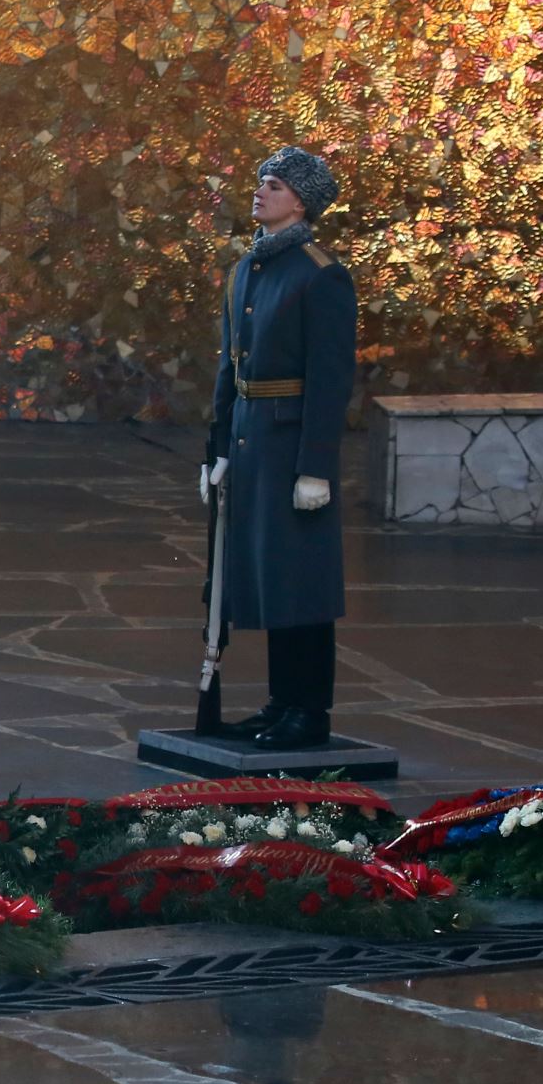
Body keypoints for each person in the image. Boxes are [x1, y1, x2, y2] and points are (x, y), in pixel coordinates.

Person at [202, 147, 357, 751]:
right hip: (251, 439)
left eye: (273, 184)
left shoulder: (320, 273)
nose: (260, 192)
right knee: (267, 576)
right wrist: (217, 448)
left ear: (300, 200)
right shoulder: (251, 269)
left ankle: (309, 710)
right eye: (261, 181)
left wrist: (315, 466)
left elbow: (330, 377)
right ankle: (280, 702)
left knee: (302, 580)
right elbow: (230, 364)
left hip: (291, 444)